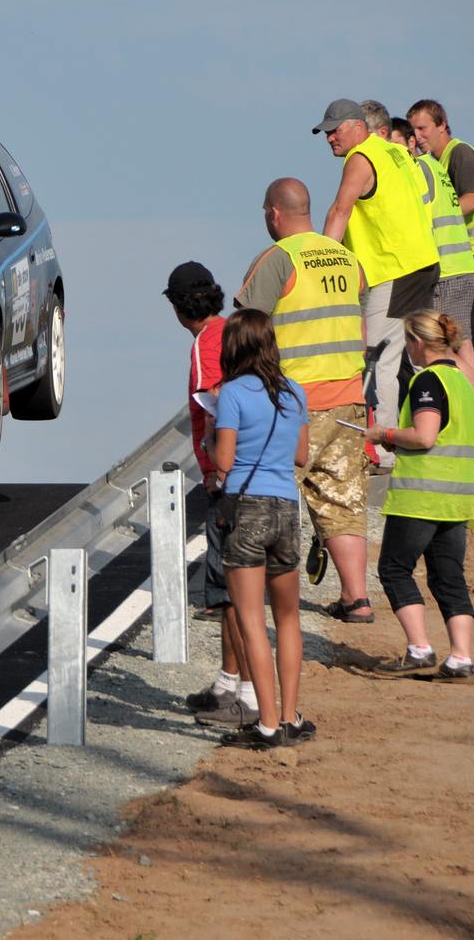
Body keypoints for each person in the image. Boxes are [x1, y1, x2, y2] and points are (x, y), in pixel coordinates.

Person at [235, 178, 372, 623]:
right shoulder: (349, 260)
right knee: (343, 502)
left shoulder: (278, 259)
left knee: (268, 496)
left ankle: (252, 594)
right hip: (350, 400)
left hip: (297, 406)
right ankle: (356, 598)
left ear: (274, 213)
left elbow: (247, 331)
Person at [363, 310, 474, 682]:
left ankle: (419, 648)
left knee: (394, 568)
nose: (408, 350)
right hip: (457, 498)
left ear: (418, 343)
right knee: (449, 575)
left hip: (423, 496)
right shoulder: (463, 382)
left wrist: (384, 434)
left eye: (407, 342)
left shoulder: (428, 381)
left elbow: (424, 436)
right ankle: (460, 657)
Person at [314, 99, 440, 472]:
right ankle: (432, 436)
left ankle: (381, 451)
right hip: (420, 263)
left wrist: (322, 267)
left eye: (335, 130)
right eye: (325, 132)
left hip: (393, 268)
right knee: (416, 359)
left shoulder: (362, 156)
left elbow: (340, 210)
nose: (330, 138)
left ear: (358, 126)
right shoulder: (396, 152)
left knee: (378, 360)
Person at [163, 262, 259, 728]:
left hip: (230, 482)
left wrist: (214, 471)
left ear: (180, 308)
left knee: (233, 591)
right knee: (226, 593)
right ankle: (227, 682)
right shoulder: (234, 331)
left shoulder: (206, 343)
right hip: (258, 476)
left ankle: (245, 697)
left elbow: (214, 407)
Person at [212, 309, 312, 748]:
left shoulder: (231, 393)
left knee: (252, 622)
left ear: (234, 347)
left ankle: (267, 725)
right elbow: (302, 455)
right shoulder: (296, 392)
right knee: (287, 619)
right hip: (286, 508)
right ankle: (290, 718)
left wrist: (207, 442)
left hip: (247, 510)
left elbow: (224, 463)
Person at [408, 99, 474, 425]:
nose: (418, 136)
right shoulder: (437, 162)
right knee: (472, 339)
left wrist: (435, 218)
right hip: (466, 258)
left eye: (423, 128)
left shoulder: (460, 153)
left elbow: (473, 197)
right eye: (413, 130)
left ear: (442, 124)